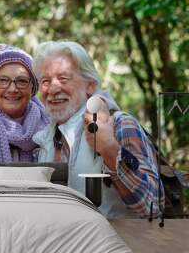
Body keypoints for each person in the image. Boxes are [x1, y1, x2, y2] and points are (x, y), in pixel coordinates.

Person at [32, 40, 164, 218]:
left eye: (63, 78)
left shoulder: (119, 125)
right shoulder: (43, 140)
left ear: (90, 85)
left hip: (117, 244)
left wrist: (109, 149)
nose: (53, 88)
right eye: (45, 81)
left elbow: (152, 206)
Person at [0, 44, 118, 163]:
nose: (13, 88)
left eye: (22, 81)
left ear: (32, 88)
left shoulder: (49, 118)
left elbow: (84, 93)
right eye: (3, 81)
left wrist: (99, 102)